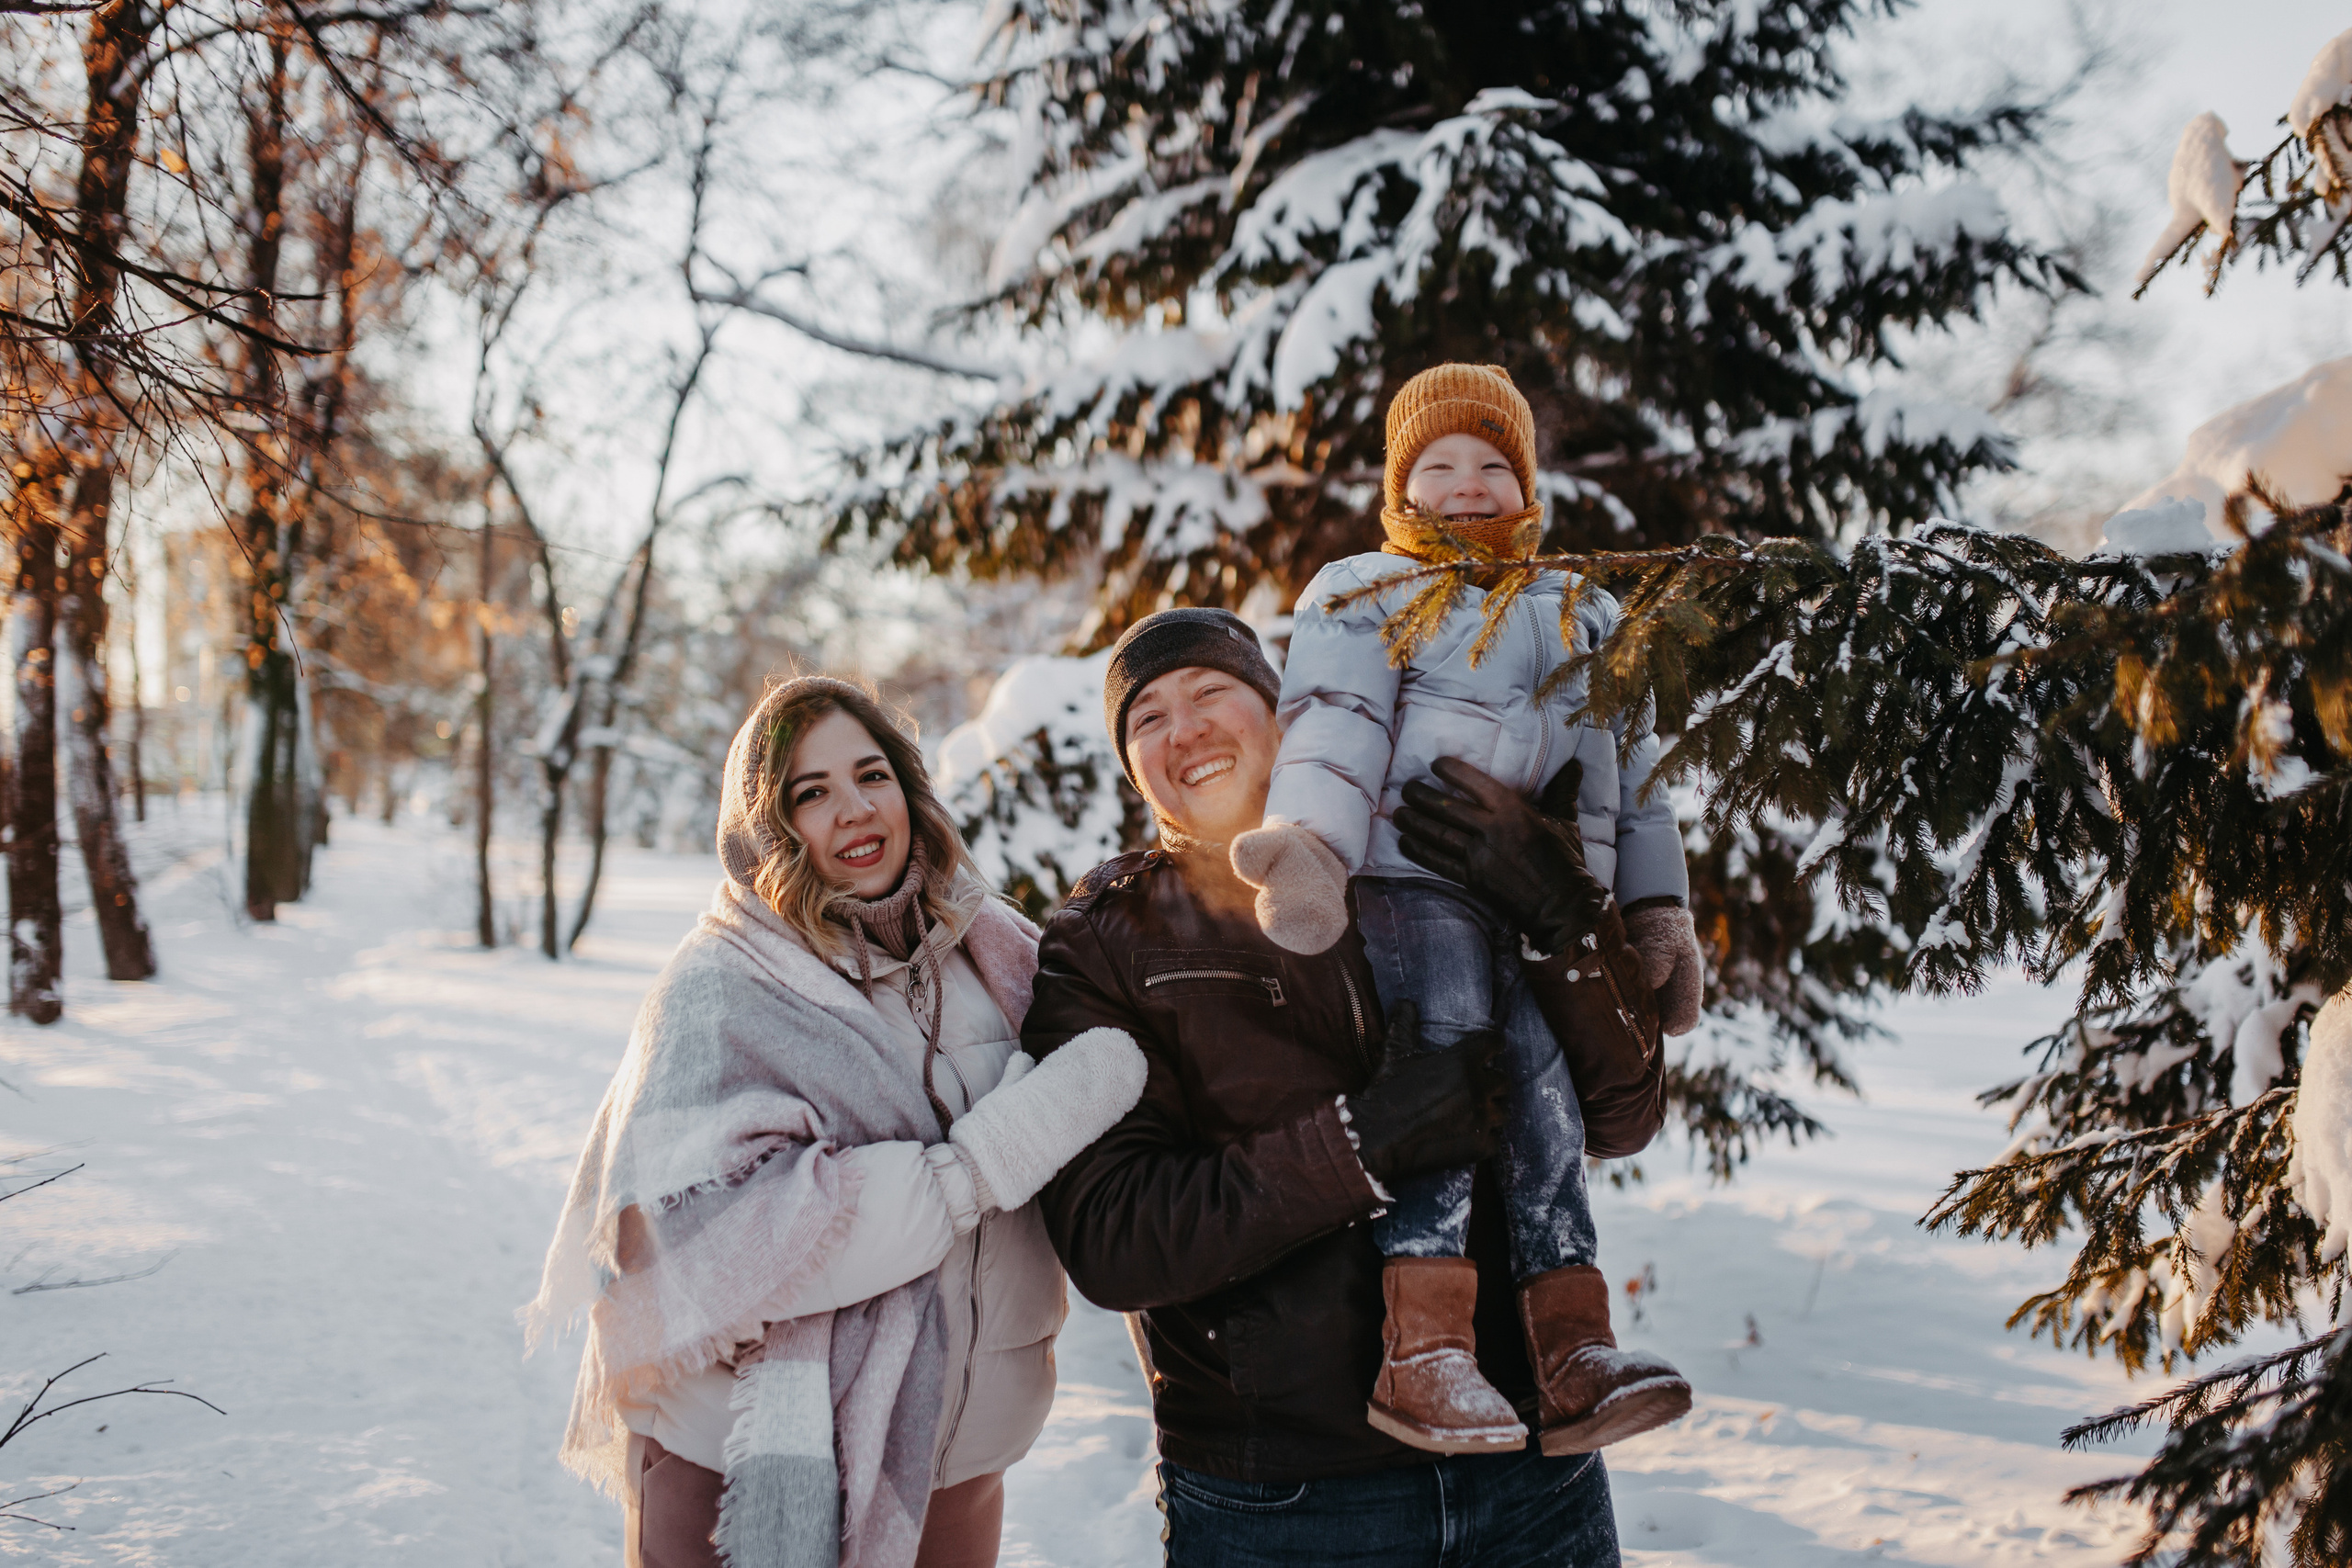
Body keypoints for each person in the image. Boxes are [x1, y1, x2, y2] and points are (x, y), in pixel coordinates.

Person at [1024, 610, 1670, 1567]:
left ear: (1283, 710)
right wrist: (1361, 1143)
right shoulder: (1108, 940)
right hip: (1287, 1504)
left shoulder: (1426, 858)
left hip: (1533, 1474)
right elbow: (1115, 1238)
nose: (1184, 730)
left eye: (1210, 693)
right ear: (1133, 768)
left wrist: (1559, 908)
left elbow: (1622, 1114)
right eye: (1147, 718)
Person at [525, 676, 1147, 1568]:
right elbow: (710, 1237)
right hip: (740, 1472)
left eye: (871, 774)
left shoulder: (996, 950)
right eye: (810, 793)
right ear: (767, 828)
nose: (854, 809)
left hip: (961, 1459)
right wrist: (974, 1167)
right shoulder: (718, 989)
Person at [1228, 364, 1698, 1454]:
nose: (1468, 483)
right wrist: (1310, 851)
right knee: (1447, 1058)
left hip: (1543, 892)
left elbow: (1636, 779)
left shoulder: (1586, 609)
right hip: (1414, 879)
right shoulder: (1367, 588)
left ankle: (1572, 1349)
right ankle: (1426, 1348)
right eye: (1437, 465)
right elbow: (1332, 727)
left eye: (1493, 462)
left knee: (1544, 1084)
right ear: (1401, 487)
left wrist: (1654, 915)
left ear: (1528, 484)